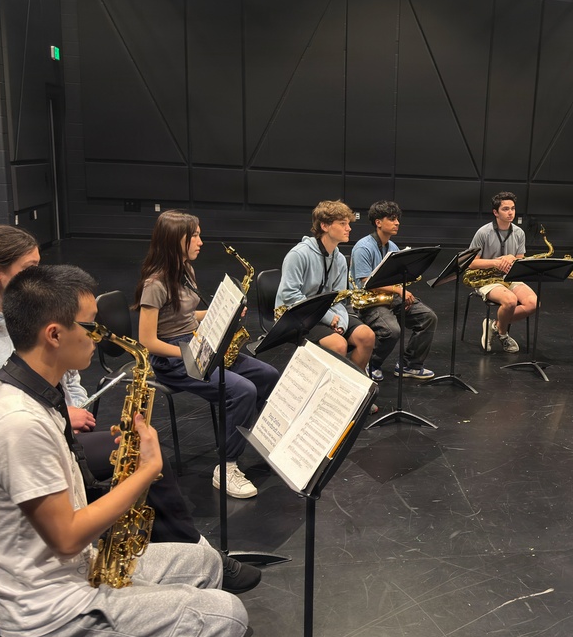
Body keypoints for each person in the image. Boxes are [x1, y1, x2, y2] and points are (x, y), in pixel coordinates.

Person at [0, 264, 248, 637]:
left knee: (203, 560)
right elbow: (67, 536)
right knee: (228, 618)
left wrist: (128, 467)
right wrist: (146, 471)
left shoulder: (39, 393)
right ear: (54, 334)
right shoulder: (18, 424)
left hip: (74, 573)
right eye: (90, 326)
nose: (100, 335)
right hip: (51, 620)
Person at [0, 224, 260, 593]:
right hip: (23, 447)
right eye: (29, 267)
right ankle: (192, 559)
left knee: (141, 456)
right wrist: (56, 415)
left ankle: (189, 555)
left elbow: (65, 373)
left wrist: (67, 405)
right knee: (140, 464)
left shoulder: (30, 315)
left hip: (55, 427)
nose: (40, 275)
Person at [137, 210, 280, 500]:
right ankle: (226, 467)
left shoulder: (185, 270)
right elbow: (147, 340)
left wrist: (221, 313)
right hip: (172, 358)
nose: (201, 241)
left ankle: (248, 437)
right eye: (196, 235)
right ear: (176, 239)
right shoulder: (155, 284)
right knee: (242, 391)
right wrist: (188, 352)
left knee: (268, 375)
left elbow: (188, 315)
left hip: (196, 341)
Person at [275, 200, 375, 371]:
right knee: (338, 345)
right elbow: (290, 296)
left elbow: (339, 297)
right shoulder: (299, 254)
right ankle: (327, 392)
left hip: (325, 313)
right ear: (325, 226)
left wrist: (340, 323)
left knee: (367, 336)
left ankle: (350, 388)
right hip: (294, 314)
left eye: (348, 224)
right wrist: (329, 318)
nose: (349, 228)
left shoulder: (340, 259)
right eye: (343, 224)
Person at [349, 200, 437, 381]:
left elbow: (397, 278)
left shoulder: (393, 247)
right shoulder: (363, 247)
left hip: (388, 297)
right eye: (391, 219)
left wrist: (400, 290)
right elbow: (366, 282)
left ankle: (410, 365)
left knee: (428, 318)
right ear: (378, 222)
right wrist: (399, 291)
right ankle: (371, 363)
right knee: (391, 330)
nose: (397, 223)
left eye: (397, 219)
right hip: (368, 301)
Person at [467, 191, 537, 352]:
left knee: (533, 303)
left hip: (511, 277)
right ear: (495, 212)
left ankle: (494, 325)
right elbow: (471, 263)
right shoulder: (483, 232)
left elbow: (520, 260)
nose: (510, 212)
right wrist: (496, 262)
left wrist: (512, 257)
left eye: (512, 208)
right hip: (487, 279)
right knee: (510, 301)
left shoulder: (519, 233)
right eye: (505, 209)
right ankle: (503, 334)